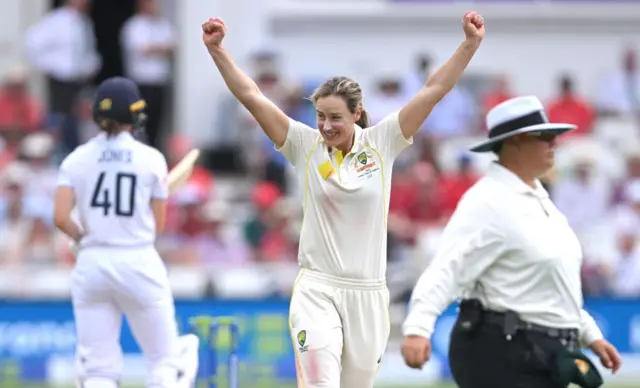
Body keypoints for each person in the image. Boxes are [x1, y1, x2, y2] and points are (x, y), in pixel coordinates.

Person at [202, 11, 485, 388]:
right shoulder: (305, 145)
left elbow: (433, 91)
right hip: (317, 289)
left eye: (335, 117)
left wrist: (469, 45)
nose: (326, 126)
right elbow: (252, 97)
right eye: (320, 116)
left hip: (369, 295)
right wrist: (217, 50)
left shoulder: (382, 143)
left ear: (356, 114)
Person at [401, 96, 622, 388]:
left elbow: (551, 283)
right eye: (545, 136)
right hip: (502, 351)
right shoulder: (487, 201)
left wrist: (588, 334)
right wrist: (418, 327)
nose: (554, 143)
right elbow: (447, 267)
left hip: (541, 352)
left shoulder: (541, 201)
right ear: (515, 142)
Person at [53, 76, 199, 388]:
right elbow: (157, 225)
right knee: (165, 360)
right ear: (136, 114)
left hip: (91, 264)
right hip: (138, 261)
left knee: (98, 371)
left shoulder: (75, 159)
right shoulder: (150, 159)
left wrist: (82, 238)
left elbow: (60, 217)